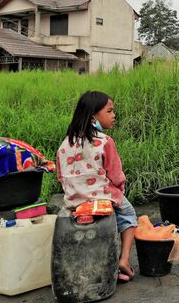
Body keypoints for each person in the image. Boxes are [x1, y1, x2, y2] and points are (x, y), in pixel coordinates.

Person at [56, 91, 137, 282]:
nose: (114, 115)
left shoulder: (65, 143)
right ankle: (123, 260)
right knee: (129, 216)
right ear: (94, 116)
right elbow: (116, 176)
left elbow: (61, 176)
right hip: (103, 197)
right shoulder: (105, 142)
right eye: (109, 111)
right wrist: (120, 190)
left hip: (74, 202)